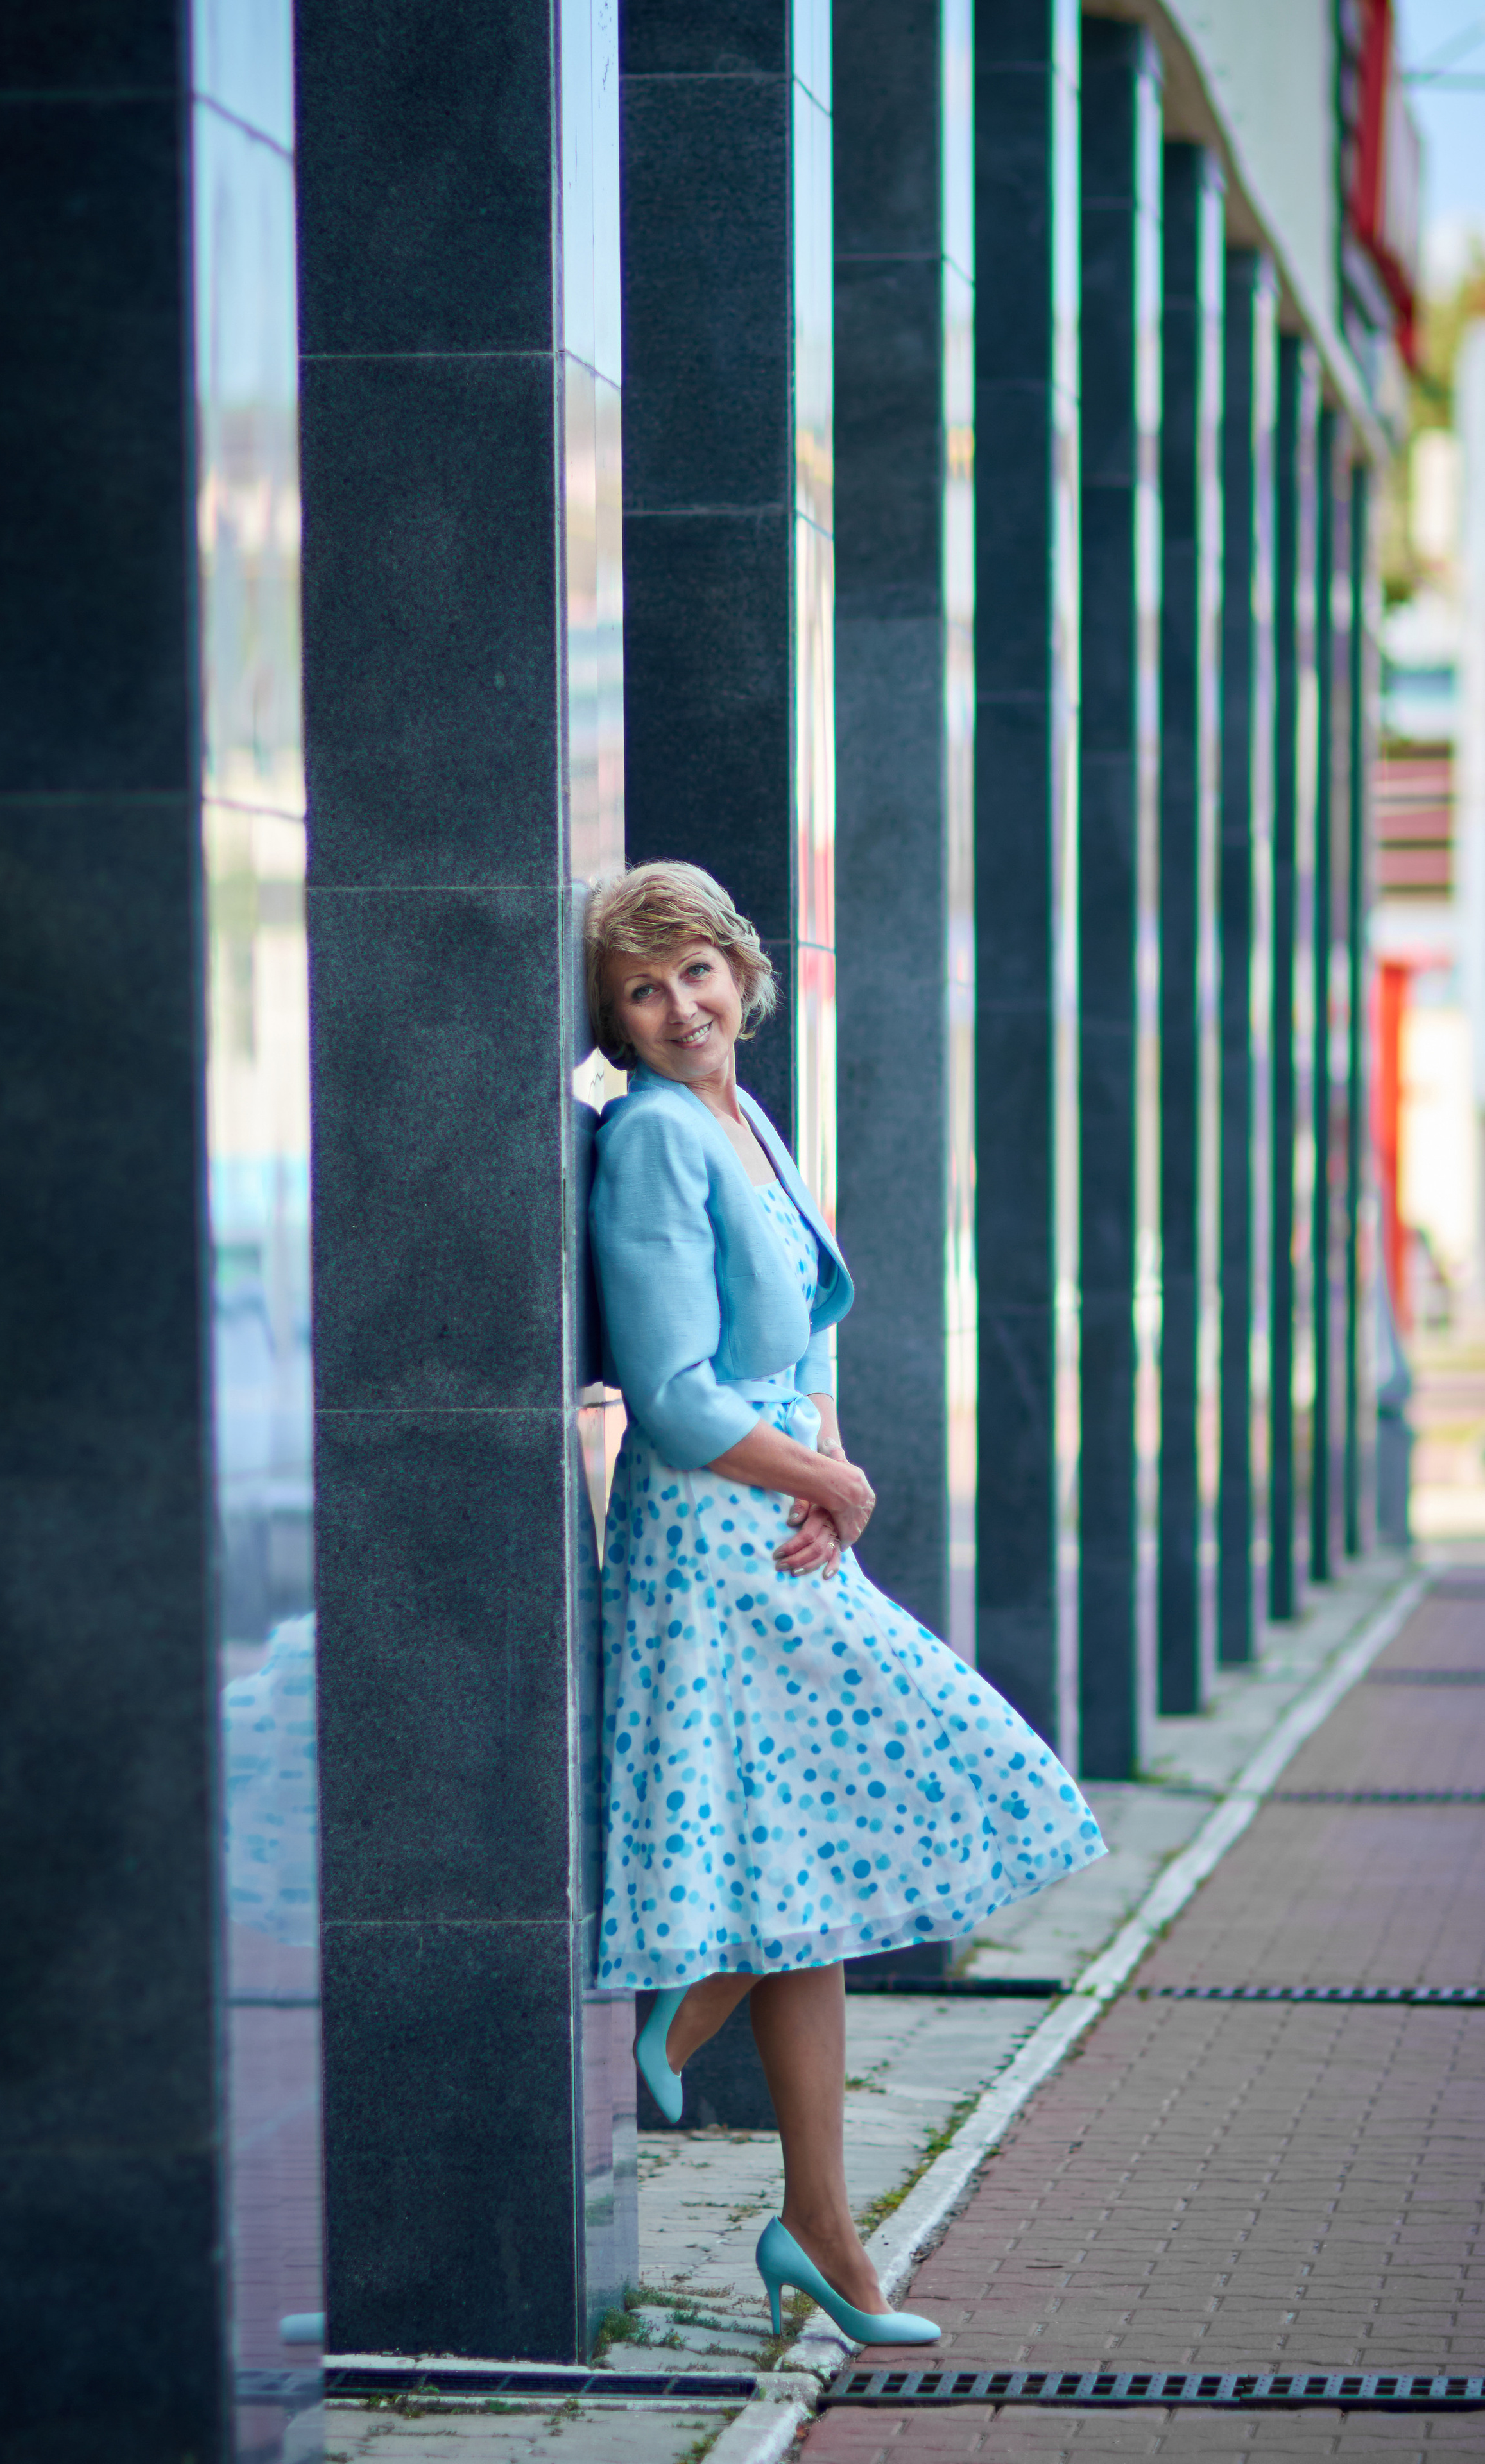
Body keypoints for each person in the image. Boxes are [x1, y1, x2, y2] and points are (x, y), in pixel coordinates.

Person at [585, 860, 1106, 2347]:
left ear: (740, 974)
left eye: (695, 970)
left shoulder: (748, 1121)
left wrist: (822, 1476)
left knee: (805, 1867)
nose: (680, 1004)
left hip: (785, 1521)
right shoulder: (652, 1142)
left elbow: (797, 1331)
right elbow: (676, 1398)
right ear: (615, 1021)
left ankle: (821, 2232)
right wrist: (832, 1481)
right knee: (968, 1758)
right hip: (712, 1539)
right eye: (642, 988)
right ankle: (685, 2013)